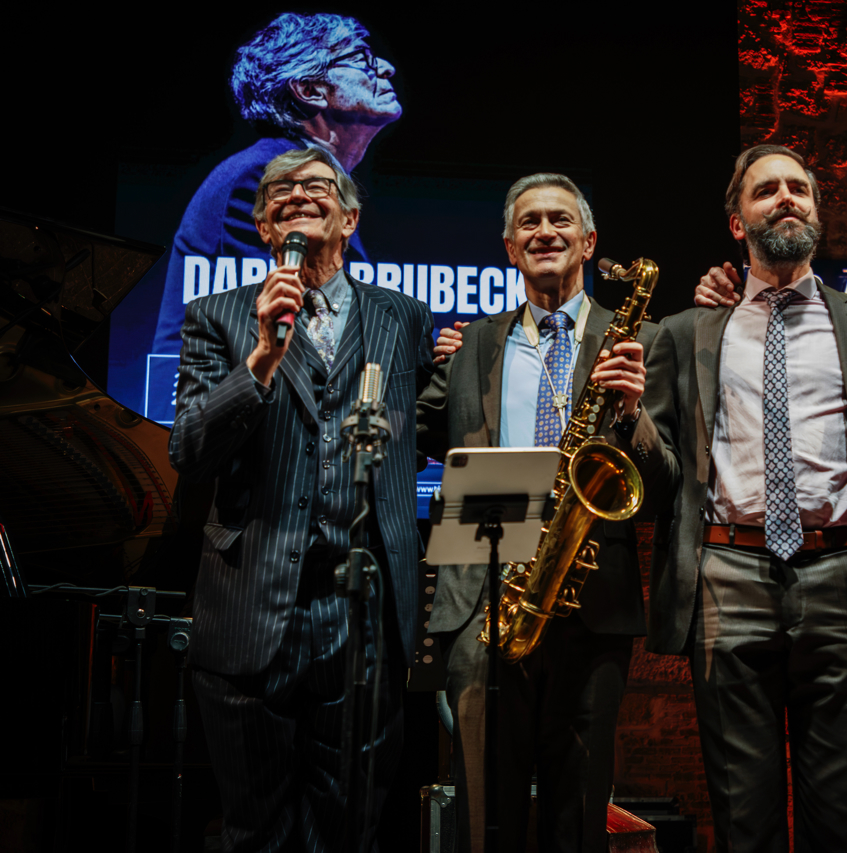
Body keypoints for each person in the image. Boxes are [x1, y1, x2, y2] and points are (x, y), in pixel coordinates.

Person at [169, 146, 434, 852]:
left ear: (350, 219)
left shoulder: (405, 317)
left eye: (317, 186)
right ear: (262, 228)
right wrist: (261, 357)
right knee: (256, 830)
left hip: (364, 612)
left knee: (348, 830)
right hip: (251, 605)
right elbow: (190, 450)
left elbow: (425, 429)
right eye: (278, 192)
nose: (296, 195)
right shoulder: (215, 316)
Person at [645, 144, 847, 853]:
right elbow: (660, 468)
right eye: (766, 191)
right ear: (738, 223)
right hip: (728, 570)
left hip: (842, 570)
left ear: (817, 213)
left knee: (839, 814)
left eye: (799, 188)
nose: (786, 198)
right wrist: (626, 415)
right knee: (743, 815)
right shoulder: (689, 330)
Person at [416, 174, 667, 853]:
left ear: (589, 241)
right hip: (485, 601)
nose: (545, 231)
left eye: (560, 220)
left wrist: (632, 413)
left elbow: (666, 479)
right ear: (509, 247)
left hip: (592, 601)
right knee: (479, 816)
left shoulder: (644, 338)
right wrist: (426, 362)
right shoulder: (473, 343)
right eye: (529, 223)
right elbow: (416, 434)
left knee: (578, 816)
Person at [152, 12, 401, 355]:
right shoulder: (262, 178)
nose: (387, 68)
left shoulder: (306, 172)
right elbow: (286, 324)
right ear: (309, 90)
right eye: (361, 58)